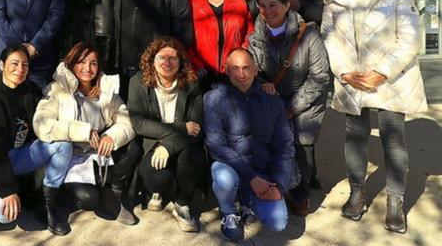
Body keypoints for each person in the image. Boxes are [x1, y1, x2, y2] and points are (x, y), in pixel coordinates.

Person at [321, 0, 428, 234]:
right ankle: (357, 193)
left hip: (392, 79)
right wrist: (345, 72)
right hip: (352, 79)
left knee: (393, 139)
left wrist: (381, 72)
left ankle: (395, 201)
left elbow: (409, 38)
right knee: (354, 137)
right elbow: (329, 38)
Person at [35, 42, 140, 227]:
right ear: (72, 64)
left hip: (97, 152)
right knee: (89, 198)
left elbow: (126, 122)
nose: (87, 68)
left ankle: (113, 193)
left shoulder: (106, 90)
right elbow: (42, 126)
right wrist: (82, 131)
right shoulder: (57, 89)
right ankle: (66, 196)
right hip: (70, 154)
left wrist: (111, 137)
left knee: (133, 148)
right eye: (82, 62)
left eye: (93, 63)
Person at [0, 44, 73, 235]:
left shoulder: (31, 90)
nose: (20, 70)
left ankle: (48, 202)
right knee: (4, 216)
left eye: (25, 65)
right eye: (14, 64)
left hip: (22, 155)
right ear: (2, 65)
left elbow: (45, 122)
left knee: (63, 146)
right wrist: (7, 190)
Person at [248, 0, 330, 216]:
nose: (267, 10)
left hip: (306, 102)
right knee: (271, 145)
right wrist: (262, 85)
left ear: (286, 5)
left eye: (273, 5)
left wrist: (293, 108)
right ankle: (277, 187)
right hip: (273, 102)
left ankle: (301, 194)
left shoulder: (309, 34)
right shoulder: (255, 38)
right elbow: (256, 72)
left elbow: (320, 76)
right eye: (262, 6)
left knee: (301, 146)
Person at [204, 49, 297, 242]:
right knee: (223, 179)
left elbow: (285, 147)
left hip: (264, 169)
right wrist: (251, 177)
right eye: (235, 69)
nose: (241, 74)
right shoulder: (214, 98)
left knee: (278, 222)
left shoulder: (272, 99)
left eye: (247, 68)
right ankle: (229, 211)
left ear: (256, 70)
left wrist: (279, 185)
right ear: (226, 70)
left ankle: (248, 202)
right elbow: (215, 144)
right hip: (230, 166)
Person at [127, 37, 206, 233]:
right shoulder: (138, 82)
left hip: (185, 145)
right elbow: (139, 123)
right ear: (151, 60)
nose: (167, 63)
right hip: (152, 143)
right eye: (161, 57)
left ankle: (182, 203)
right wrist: (179, 127)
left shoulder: (191, 84)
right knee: (155, 176)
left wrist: (168, 145)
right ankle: (158, 192)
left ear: (181, 62)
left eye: (173, 58)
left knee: (191, 158)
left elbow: (195, 129)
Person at [106, 0, 193, 101]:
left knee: (150, 120)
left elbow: (183, 28)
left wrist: (170, 61)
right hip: (118, 66)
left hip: (156, 68)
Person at [188, 0, 253, 91]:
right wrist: (196, 65)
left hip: (232, 72)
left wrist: (239, 59)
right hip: (198, 71)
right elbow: (182, 35)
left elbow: (249, 32)